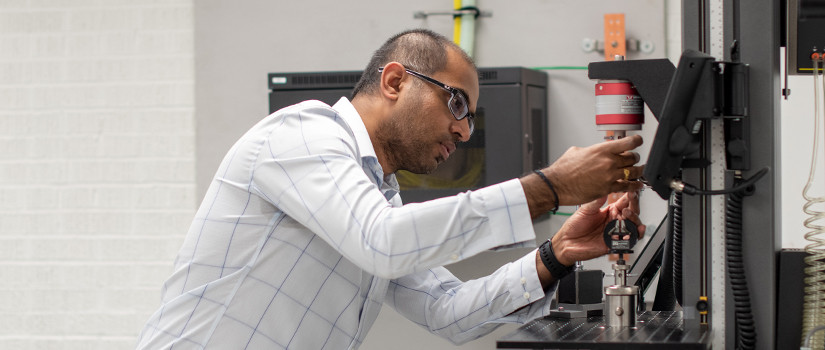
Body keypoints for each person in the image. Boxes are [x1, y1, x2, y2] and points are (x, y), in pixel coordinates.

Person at [136, 29, 646, 349]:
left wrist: (556, 254)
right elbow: (382, 242)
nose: (465, 131)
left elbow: (448, 313)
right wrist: (548, 188)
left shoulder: (378, 197)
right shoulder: (301, 134)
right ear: (396, 81)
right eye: (457, 105)